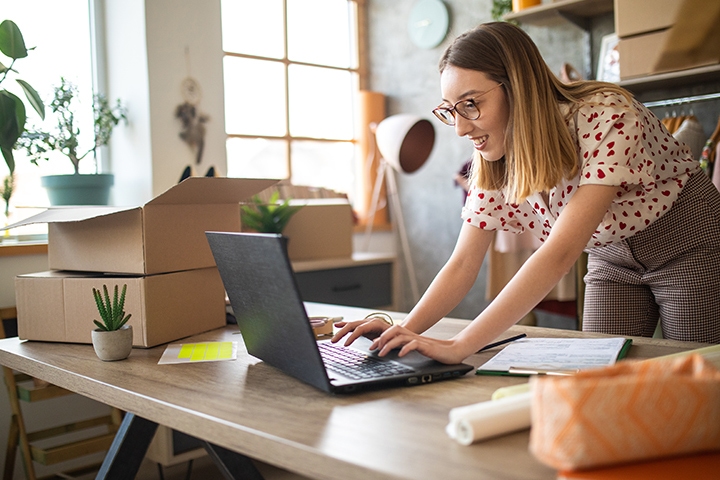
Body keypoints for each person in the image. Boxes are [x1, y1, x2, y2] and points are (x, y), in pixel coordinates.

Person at [332, 22, 720, 364]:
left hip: (686, 242)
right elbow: (464, 262)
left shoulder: (607, 114)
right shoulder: (492, 156)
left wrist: (460, 345)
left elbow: (560, 254)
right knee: (597, 380)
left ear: (517, 87)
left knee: (700, 380)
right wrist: (400, 332)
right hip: (611, 257)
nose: (461, 129)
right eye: (451, 110)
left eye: (471, 104)